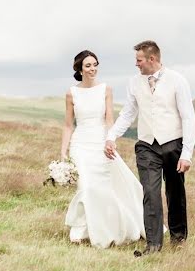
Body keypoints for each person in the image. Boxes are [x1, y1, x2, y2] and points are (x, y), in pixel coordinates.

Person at [104, 40, 195, 256]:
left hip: (174, 143)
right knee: (150, 193)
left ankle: (178, 238)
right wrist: (111, 136)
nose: (136, 64)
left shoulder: (177, 81)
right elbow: (128, 112)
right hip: (147, 146)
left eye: (139, 60)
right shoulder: (134, 83)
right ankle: (153, 245)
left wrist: (187, 154)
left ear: (152, 59)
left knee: (175, 192)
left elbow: (188, 117)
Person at [61, 50, 145, 248]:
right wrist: (63, 152)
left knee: (102, 187)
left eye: (95, 64)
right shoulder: (71, 93)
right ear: (80, 69)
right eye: (88, 65)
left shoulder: (105, 89)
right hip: (80, 144)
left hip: (100, 142)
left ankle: (107, 227)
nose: (93, 69)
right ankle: (80, 229)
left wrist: (110, 140)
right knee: (85, 185)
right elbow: (67, 125)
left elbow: (109, 120)